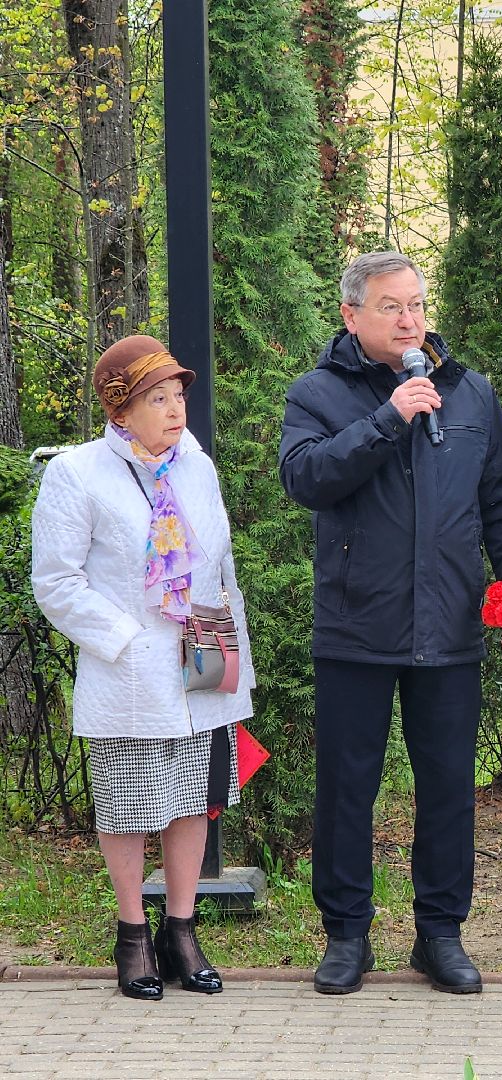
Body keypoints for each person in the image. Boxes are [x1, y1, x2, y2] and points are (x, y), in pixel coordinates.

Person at [279, 251, 502, 995]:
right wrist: (388, 418)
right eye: (392, 306)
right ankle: (347, 936)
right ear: (351, 316)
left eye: (417, 304)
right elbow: (308, 478)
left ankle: (439, 934)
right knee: (347, 788)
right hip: (357, 627)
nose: (411, 319)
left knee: (449, 786)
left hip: (450, 626)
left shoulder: (472, 394)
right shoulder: (319, 393)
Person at [31, 335, 257, 1000]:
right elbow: (57, 582)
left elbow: (220, 565)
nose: (174, 409)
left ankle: (180, 931)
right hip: (129, 668)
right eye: (156, 398)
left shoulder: (197, 466)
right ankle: (133, 933)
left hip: (202, 657)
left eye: (178, 395)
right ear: (120, 409)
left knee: (194, 800)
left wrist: (232, 657)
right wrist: (125, 638)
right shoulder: (78, 473)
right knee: (129, 807)